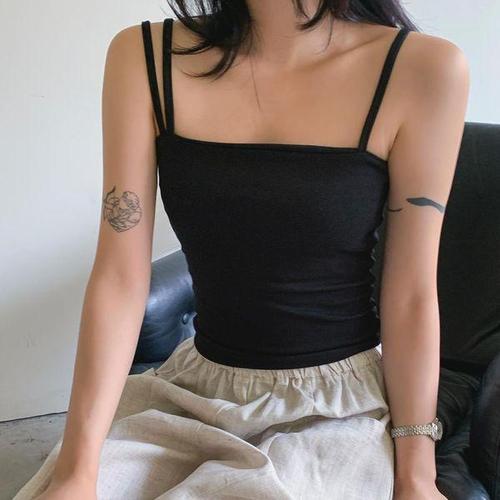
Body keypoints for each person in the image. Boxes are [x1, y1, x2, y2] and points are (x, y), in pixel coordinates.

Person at [15, 1, 469, 499]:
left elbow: (410, 294)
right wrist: (77, 471)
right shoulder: (143, 56)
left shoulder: (424, 68)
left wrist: (417, 476)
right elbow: (119, 278)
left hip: (336, 410)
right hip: (190, 393)